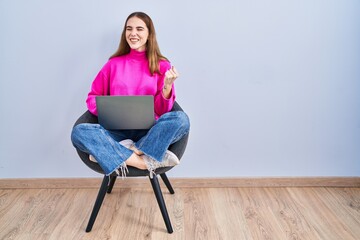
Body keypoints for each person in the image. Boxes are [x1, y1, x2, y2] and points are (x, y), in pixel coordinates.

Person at [71, 12, 190, 178]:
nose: (133, 33)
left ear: (149, 34)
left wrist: (167, 86)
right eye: (129, 29)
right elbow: (92, 97)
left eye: (139, 29)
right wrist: (109, 111)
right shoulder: (113, 64)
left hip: (149, 133)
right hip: (115, 132)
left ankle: (119, 152)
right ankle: (142, 161)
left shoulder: (162, 65)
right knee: (79, 132)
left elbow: (162, 111)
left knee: (182, 120)